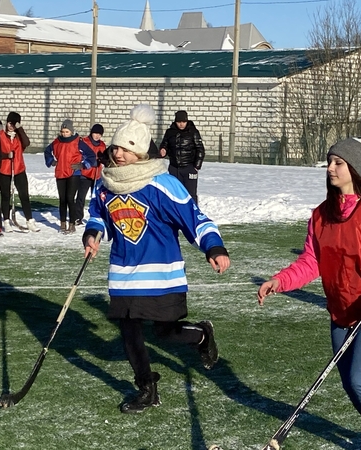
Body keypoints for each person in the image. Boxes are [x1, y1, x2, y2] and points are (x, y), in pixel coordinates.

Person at [257, 135, 361, 450]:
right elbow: (311, 261)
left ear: (354, 168)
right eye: (329, 161)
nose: (330, 168)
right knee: (350, 385)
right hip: (341, 311)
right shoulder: (321, 214)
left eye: (338, 163)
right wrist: (280, 281)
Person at [82, 104, 230, 414]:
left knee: (164, 332)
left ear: (141, 153)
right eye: (116, 147)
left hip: (162, 273)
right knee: (129, 332)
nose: (119, 154)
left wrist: (213, 248)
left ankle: (201, 334)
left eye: (126, 149)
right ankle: (147, 389)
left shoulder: (161, 184)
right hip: (123, 272)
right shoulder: (105, 185)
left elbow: (196, 218)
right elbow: (96, 216)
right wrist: (92, 236)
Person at [44, 119, 96, 234]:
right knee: (62, 199)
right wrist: (51, 161)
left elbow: (91, 155)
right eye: (63, 131)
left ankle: (72, 224)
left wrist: (83, 165)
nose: (64, 134)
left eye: (67, 131)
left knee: (70, 199)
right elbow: (47, 151)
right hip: (60, 172)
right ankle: (62, 223)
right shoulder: (56, 142)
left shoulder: (78, 142)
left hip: (74, 173)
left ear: (71, 132)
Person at [0, 112, 39, 233]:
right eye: (9, 123)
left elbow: (26, 143)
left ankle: (29, 220)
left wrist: (19, 128)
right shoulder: (0, 135)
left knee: (24, 195)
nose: (11, 126)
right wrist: (6, 155)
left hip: (19, 168)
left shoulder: (19, 136)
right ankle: (6, 220)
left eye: (14, 124)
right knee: (6, 196)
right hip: (4, 170)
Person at [159, 110, 205, 204]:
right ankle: (176, 213)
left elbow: (200, 149)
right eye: (179, 122)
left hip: (189, 167)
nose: (181, 124)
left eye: (183, 122)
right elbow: (165, 145)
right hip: (174, 168)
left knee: (191, 193)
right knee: (174, 192)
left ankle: (193, 212)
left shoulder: (193, 132)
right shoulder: (169, 132)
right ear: (175, 122)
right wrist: (163, 149)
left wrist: (196, 166)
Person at [74, 123, 106, 225]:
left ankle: (97, 216)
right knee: (81, 197)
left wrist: (102, 160)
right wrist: (90, 162)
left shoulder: (102, 145)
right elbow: (80, 156)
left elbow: (104, 157)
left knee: (97, 198)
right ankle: (77, 217)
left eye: (99, 134)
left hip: (97, 175)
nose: (97, 136)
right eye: (95, 133)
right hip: (85, 174)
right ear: (91, 133)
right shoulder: (84, 142)